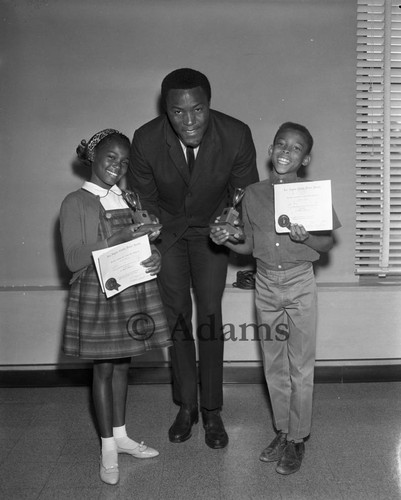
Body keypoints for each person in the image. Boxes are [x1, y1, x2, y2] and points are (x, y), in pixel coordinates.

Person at [127, 68, 259, 449]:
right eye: (178, 112)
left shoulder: (236, 134)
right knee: (178, 317)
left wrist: (230, 225)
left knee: (210, 313)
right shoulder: (146, 138)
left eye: (197, 110)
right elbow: (144, 201)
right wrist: (149, 236)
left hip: (211, 233)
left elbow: (243, 192)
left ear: (209, 105)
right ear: (166, 110)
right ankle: (186, 405)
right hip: (167, 233)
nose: (189, 121)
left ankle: (212, 409)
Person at [210, 122, 341, 474]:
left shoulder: (312, 193)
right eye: (281, 144)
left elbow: (326, 244)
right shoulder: (251, 194)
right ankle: (283, 431)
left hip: (300, 283)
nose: (286, 151)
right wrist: (227, 240)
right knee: (274, 366)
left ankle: (298, 439)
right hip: (266, 284)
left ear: (305, 158)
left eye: (295, 148)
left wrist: (306, 239)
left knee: (301, 366)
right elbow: (248, 245)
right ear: (270, 150)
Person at [60, 129, 172, 485]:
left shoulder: (128, 198)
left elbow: (140, 244)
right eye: (111, 158)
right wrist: (117, 237)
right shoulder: (75, 202)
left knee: (124, 366)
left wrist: (154, 255)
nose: (117, 166)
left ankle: (121, 436)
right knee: (104, 369)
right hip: (97, 292)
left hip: (130, 289)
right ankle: (107, 448)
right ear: (93, 158)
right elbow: (75, 258)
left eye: (123, 161)